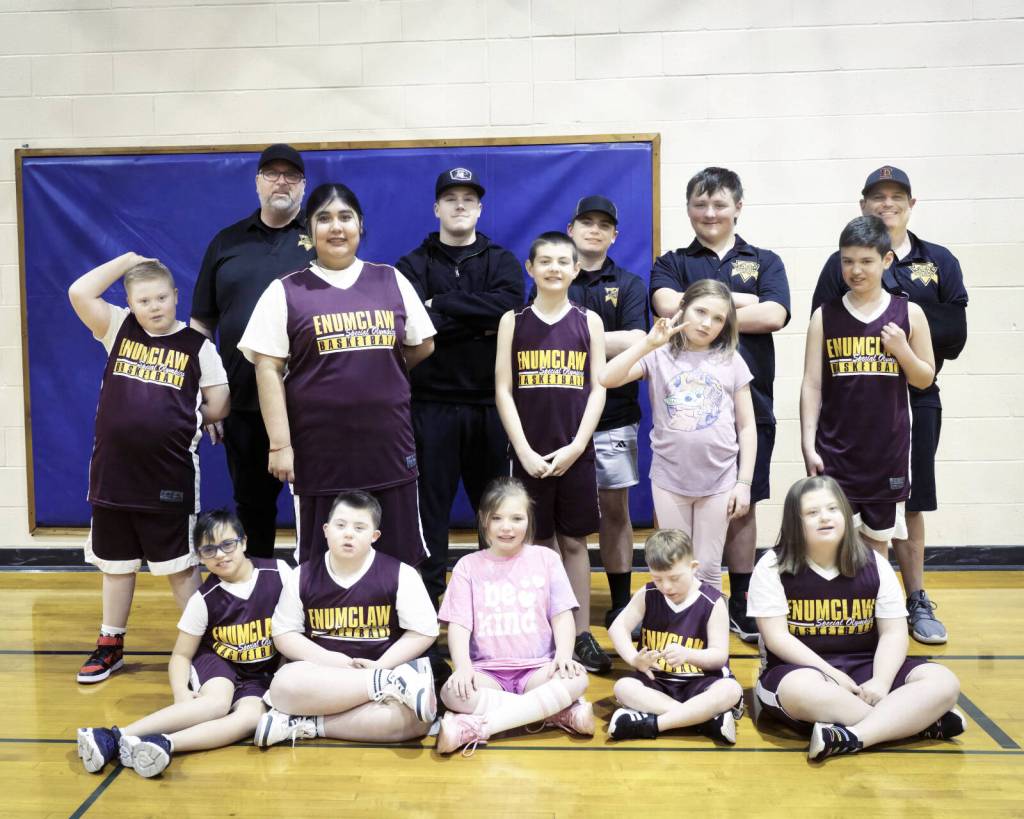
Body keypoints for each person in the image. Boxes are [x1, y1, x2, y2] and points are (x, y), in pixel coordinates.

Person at [810, 166, 968, 645]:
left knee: (910, 500)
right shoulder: (839, 266)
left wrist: (903, 333)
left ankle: (914, 598)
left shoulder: (937, 260)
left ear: (910, 204)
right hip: (852, 404)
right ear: (863, 204)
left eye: (897, 195)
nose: (887, 203)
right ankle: (848, 604)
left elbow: (953, 336)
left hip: (913, 401)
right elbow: (829, 329)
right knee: (844, 506)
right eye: (877, 196)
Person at [239, 183, 436, 565]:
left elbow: (423, 344)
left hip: (388, 446)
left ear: (360, 225)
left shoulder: (390, 280)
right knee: (323, 560)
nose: (336, 227)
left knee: (397, 556)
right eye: (324, 218)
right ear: (309, 231)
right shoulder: (285, 290)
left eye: (345, 217)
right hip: (319, 452)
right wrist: (280, 445)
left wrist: (379, 373)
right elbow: (267, 368)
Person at [68, 253, 230, 684]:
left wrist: (198, 418)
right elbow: (79, 292)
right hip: (113, 476)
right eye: (143, 300)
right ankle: (110, 644)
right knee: (115, 565)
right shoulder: (119, 328)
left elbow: (219, 401)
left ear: (176, 296)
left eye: (161, 297)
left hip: (168, 477)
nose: (154, 306)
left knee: (180, 567)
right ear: (130, 304)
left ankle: (203, 647)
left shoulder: (198, 346)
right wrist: (127, 261)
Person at [649, 167, 789, 643]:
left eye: (719, 204)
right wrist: (741, 302)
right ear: (689, 208)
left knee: (742, 506)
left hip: (751, 402)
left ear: (738, 207)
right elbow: (667, 306)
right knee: (682, 519)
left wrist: (706, 310)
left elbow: (774, 314)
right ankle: (679, 604)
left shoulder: (764, 260)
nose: (709, 213)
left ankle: (740, 602)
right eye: (700, 204)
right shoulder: (671, 262)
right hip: (686, 413)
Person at [747, 475, 964, 761]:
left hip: (868, 669)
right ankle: (914, 723)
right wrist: (833, 675)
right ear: (794, 523)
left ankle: (854, 737)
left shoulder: (876, 564)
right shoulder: (772, 566)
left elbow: (893, 633)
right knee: (803, 690)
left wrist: (881, 682)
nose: (825, 517)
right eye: (812, 512)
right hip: (802, 672)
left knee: (943, 681)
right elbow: (777, 638)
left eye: (833, 509)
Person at [76, 509, 289, 777]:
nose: (220, 555)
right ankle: (112, 735)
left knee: (251, 718)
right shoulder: (203, 600)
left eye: (228, 544)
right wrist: (180, 692)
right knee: (217, 704)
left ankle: (164, 744)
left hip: (262, 672)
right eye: (209, 550)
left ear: (243, 542)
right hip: (219, 662)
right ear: (199, 557)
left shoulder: (279, 572)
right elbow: (181, 655)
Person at [395, 167, 524, 610]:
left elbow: (509, 310)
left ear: (480, 208)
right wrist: (477, 322)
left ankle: (495, 597)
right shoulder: (412, 265)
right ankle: (428, 602)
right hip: (430, 404)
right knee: (430, 510)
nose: (460, 205)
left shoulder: (501, 260)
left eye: (469, 199)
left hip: (489, 405)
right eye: (451, 198)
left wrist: (442, 304)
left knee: (495, 508)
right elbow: (413, 324)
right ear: (437, 208)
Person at [191, 144, 315, 558]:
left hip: (310, 403)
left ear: (303, 186)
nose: (281, 182)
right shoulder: (226, 242)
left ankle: (317, 588)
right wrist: (211, 396)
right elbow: (201, 324)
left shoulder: (320, 240)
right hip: (243, 403)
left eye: (291, 175)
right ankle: (260, 586)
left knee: (318, 506)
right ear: (257, 183)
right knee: (253, 507)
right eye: (272, 174)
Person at [494, 232, 609, 673]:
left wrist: (578, 445)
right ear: (531, 268)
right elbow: (503, 390)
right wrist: (522, 450)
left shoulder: (589, 321)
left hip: (574, 451)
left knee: (574, 542)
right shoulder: (513, 321)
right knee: (537, 544)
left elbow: (598, 388)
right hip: (530, 453)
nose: (554, 268)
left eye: (563, 261)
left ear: (576, 269)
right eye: (545, 261)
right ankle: (542, 631)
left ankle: (580, 633)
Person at [602, 279, 756, 592]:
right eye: (701, 312)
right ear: (682, 308)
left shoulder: (731, 359)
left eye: (718, 318)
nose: (707, 323)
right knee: (676, 567)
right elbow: (607, 378)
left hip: (720, 481)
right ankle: (677, 622)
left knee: (708, 570)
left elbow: (747, 426)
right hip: (670, 480)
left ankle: (712, 624)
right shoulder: (659, 355)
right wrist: (647, 344)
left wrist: (744, 482)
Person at [254, 490, 439, 748]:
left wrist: (381, 665)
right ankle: (385, 684)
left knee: (418, 720)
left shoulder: (401, 574)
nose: (348, 534)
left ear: (375, 536)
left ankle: (306, 724)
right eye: (340, 525)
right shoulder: (302, 576)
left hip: (383, 667)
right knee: (282, 686)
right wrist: (331, 660)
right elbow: (284, 634)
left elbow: (425, 631)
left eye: (359, 528)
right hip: (324, 677)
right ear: (326, 530)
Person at [801, 216, 935, 557]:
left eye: (866, 261)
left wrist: (903, 351)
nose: (856, 270)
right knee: (833, 543)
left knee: (876, 546)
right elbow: (812, 384)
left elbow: (924, 378)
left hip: (886, 452)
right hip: (835, 451)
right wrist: (807, 441)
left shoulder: (910, 313)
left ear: (886, 260)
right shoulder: (824, 316)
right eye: (847, 261)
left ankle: (877, 595)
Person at [435, 477, 594, 755]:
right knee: (451, 692)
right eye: (497, 518)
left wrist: (563, 656)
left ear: (529, 520)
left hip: (538, 670)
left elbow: (561, 614)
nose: (506, 527)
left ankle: (478, 727)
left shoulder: (546, 559)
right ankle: (554, 713)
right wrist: (463, 667)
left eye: (516, 518)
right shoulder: (467, 566)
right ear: (484, 520)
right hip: (487, 673)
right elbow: (459, 625)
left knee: (577, 678)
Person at [558, 195, 648, 628]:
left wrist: (572, 335)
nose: (594, 230)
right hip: (559, 416)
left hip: (615, 416)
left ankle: (620, 602)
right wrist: (605, 340)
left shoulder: (629, 284)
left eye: (603, 225)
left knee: (615, 510)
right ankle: (560, 605)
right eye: (586, 222)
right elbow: (537, 334)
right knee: (558, 515)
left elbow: (637, 340)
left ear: (614, 235)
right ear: (571, 229)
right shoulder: (555, 275)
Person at [606, 529, 743, 743]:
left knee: (730, 690)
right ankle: (703, 719)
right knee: (622, 687)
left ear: (693, 567)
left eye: (674, 578)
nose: (666, 587)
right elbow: (617, 628)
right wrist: (634, 659)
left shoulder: (713, 602)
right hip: (658, 682)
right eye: (657, 579)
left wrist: (688, 655)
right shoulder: (648, 594)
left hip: (700, 682)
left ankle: (652, 724)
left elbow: (719, 656)